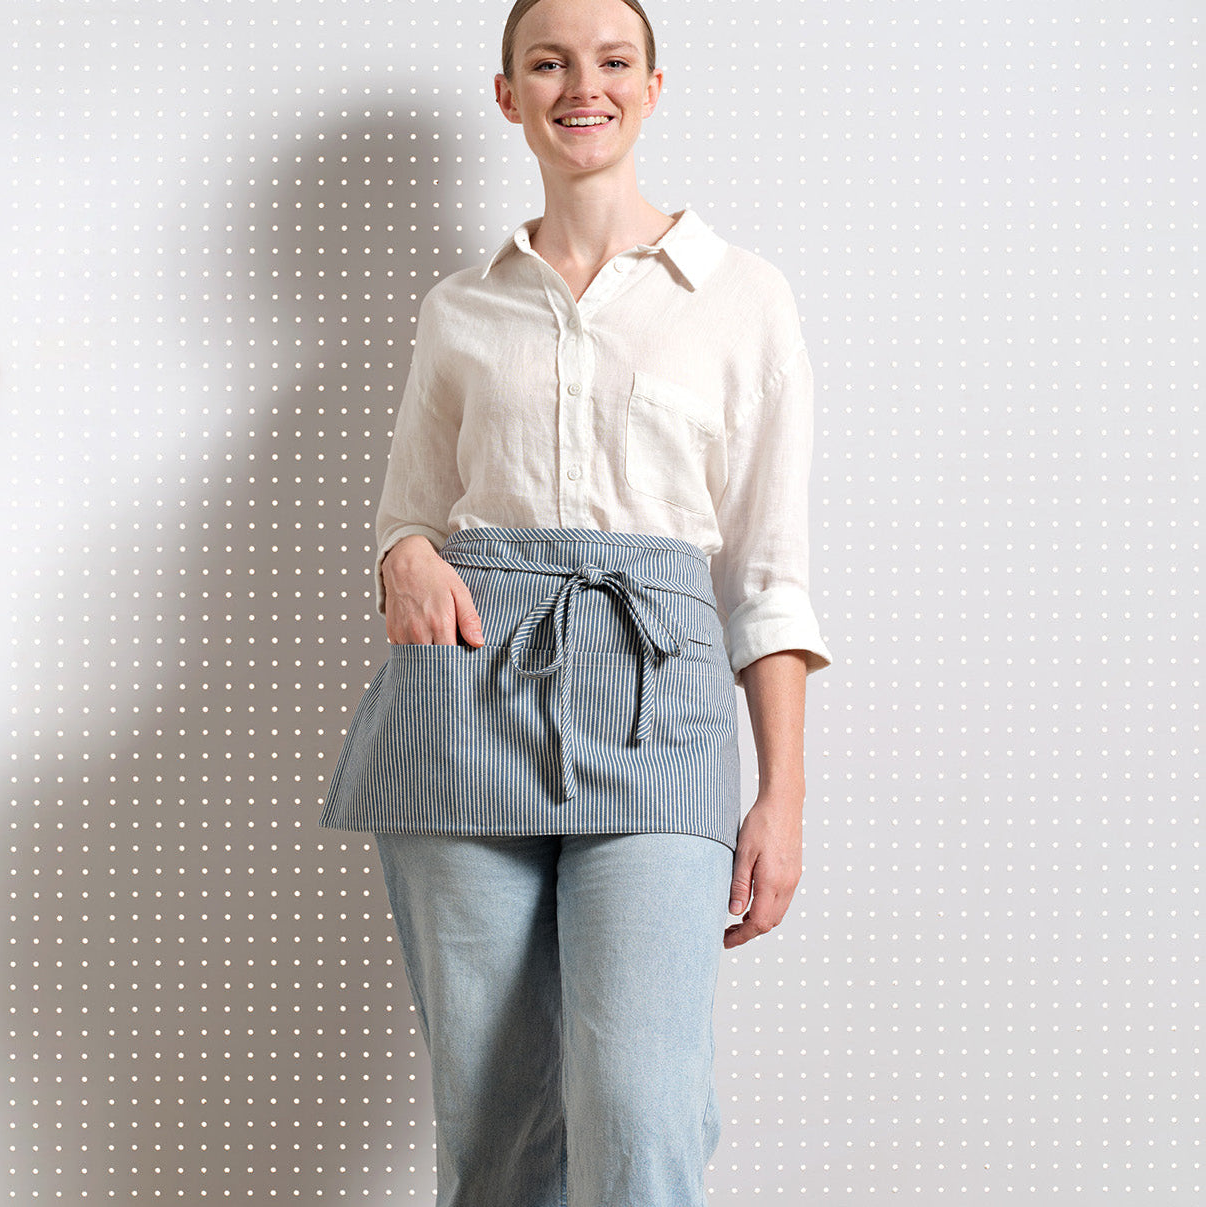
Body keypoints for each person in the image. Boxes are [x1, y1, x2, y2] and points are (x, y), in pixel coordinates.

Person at [319, 0, 833, 1202]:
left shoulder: (742, 296)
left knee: (639, 1106)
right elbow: (408, 514)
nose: (580, 85)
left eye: (611, 61)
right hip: (467, 698)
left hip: (661, 710)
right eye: (547, 63)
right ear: (508, 95)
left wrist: (783, 797)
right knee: (492, 1119)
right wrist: (403, 556)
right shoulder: (460, 305)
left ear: (652, 86)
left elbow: (767, 575)